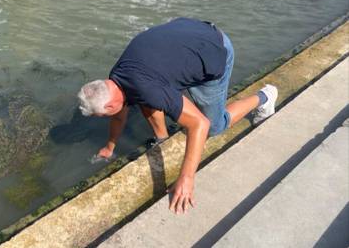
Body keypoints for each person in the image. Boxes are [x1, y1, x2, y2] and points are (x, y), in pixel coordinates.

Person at [77, 17, 278, 214]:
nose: (105, 116)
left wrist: (186, 178)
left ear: (111, 104)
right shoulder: (115, 78)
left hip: (215, 50)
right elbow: (120, 115)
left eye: (101, 114)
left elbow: (200, 124)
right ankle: (162, 138)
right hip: (190, 34)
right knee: (145, 100)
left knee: (214, 126)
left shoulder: (147, 89)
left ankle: (265, 97)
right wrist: (110, 146)